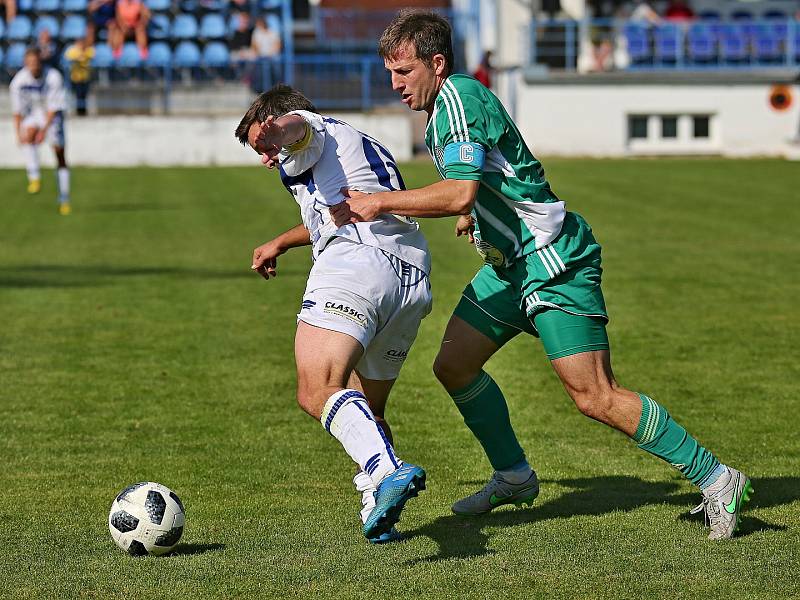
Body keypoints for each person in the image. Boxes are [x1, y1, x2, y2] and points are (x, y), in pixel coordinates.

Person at [332, 10, 752, 541]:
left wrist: (380, 203)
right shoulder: (444, 106)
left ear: (436, 64)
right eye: (390, 74)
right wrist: (475, 214)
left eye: (403, 72)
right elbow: (488, 177)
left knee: (594, 395)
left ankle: (718, 478)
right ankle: (514, 476)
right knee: (454, 366)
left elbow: (460, 188)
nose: (394, 85)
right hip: (511, 266)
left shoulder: (460, 99)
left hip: (552, 260)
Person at [235, 85, 430, 543]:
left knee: (316, 388)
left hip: (358, 263)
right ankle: (377, 508)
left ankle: (385, 472)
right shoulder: (353, 144)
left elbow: (300, 130)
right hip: (411, 279)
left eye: (261, 147)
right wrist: (280, 241)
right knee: (366, 408)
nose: (265, 159)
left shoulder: (305, 132)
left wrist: (278, 130)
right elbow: (329, 214)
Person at [10, 47, 72, 215]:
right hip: (34, 113)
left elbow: (54, 107)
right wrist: (18, 133)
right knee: (28, 135)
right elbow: (17, 111)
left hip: (52, 115)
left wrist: (44, 131)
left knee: (59, 154)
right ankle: (34, 176)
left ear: (41, 61)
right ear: (25, 63)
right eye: (30, 63)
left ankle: (64, 198)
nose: (34, 66)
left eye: (36, 62)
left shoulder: (53, 77)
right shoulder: (18, 82)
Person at [64, 36, 95, 116]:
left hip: (86, 78)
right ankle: (77, 112)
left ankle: (83, 112)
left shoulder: (89, 50)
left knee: (84, 95)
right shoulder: (72, 51)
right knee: (77, 95)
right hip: (75, 78)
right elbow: (68, 58)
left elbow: (92, 57)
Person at [251, 16, 282, 90]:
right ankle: (259, 88)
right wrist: (261, 54)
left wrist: (270, 54)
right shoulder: (256, 33)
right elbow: (254, 45)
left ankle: (275, 87)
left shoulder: (273, 32)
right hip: (261, 57)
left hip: (272, 57)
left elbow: (278, 45)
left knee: (275, 71)